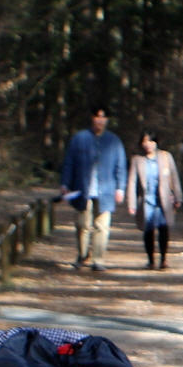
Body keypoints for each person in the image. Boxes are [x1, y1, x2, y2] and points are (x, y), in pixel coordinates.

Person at [60, 105, 127, 272]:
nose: (100, 120)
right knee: (82, 224)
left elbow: (121, 166)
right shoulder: (79, 138)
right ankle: (82, 255)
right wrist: (65, 184)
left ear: (107, 120)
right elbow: (69, 162)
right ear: (92, 118)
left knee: (102, 227)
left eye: (103, 117)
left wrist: (120, 188)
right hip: (82, 189)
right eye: (97, 116)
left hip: (106, 190)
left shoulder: (114, 141)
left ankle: (98, 259)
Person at [129, 131, 183, 269]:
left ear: (156, 142)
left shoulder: (166, 157)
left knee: (163, 228)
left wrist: (178, 197)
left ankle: (163, 259)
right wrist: (131, 203)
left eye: (151, 141)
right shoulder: (137, 160)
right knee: (148, 229)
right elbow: (132, 182)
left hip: (163, 200)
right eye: (145, 141)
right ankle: (151, 260)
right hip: (146, 200)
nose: (148, 144)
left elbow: (174, 177)